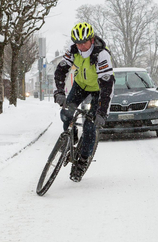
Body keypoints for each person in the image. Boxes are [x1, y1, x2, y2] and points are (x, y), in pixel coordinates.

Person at [53, 22, 115, 182]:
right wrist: (59, 92)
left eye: (84, 42)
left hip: (98, 89)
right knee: (66, 113)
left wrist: (102, 112)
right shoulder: (73, 50)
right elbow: (60, 71)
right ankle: (70, 138)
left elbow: (108, 86)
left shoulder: (102, 55)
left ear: (92, 39)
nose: (81, 46)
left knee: (89, 126)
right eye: (78, 43)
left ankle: (82, 161)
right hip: (80, 85)